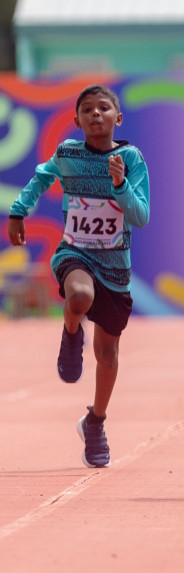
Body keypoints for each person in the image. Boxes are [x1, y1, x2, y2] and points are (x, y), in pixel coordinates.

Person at [7, 85, 151, 469]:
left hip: (116, 267)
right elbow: (41, 176)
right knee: (79, 296)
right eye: (87, 109)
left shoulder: (131, 158)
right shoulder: (68, 153)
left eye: (104, 108)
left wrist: (120, 185)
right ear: (77, 120)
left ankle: (95, 422)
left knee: (108, 354)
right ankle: (71, 332)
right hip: (75, 251)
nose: (95, 114)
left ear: (117, 118)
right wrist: (19, 211)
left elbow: (140, 216)